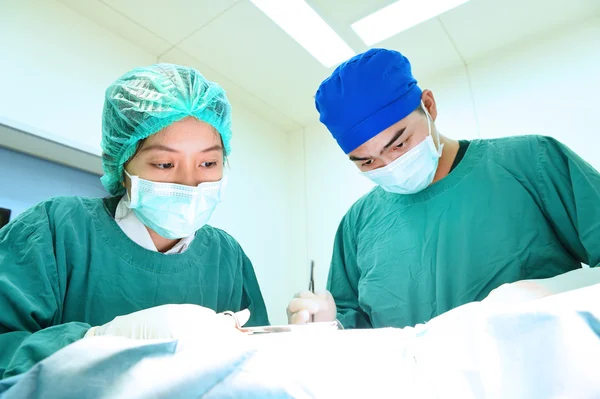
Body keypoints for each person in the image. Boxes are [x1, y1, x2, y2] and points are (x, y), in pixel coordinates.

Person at [287, 48, 600, 328]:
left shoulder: (532, 161)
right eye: (366, 162)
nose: (388, 165)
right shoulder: (358, 223)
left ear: (428, 105)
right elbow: (354, 326)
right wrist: (328, 328)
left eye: (398, 144)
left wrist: (553, 299)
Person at [0, 64, 269, 380]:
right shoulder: (55, 230)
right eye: (165, 164)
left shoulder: (228, 256)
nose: (190, 184)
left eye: (208, 162)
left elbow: (255, 364)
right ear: (122, 163)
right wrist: (94, 342)